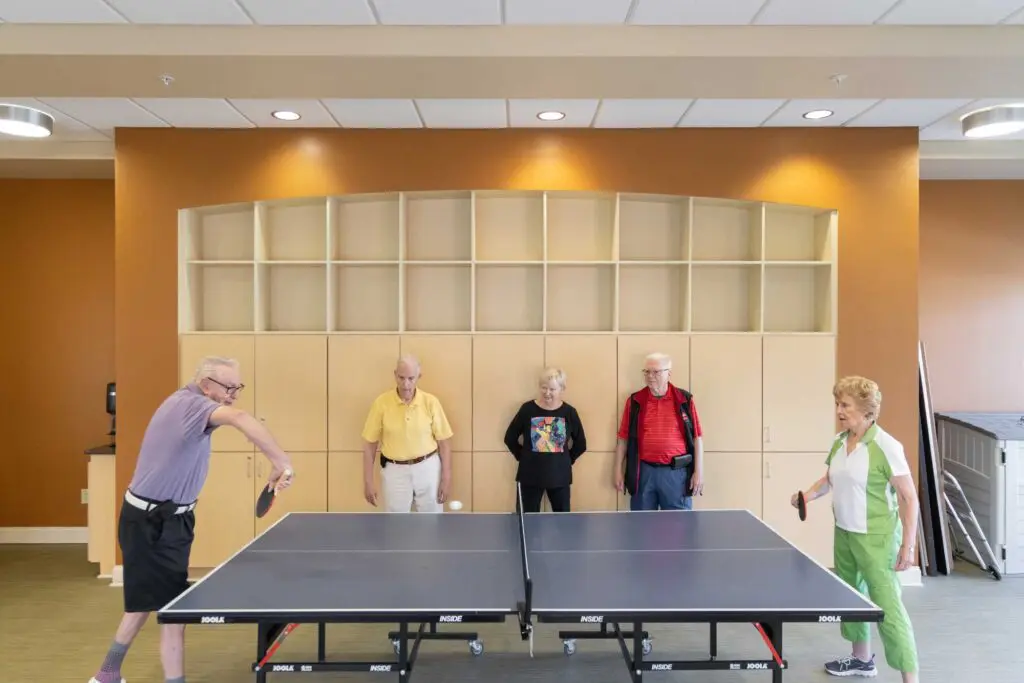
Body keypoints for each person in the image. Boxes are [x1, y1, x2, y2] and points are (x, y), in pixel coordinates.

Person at [89, 356, 294, 683]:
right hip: (150, 523)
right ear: (206, 385)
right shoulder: (190, 405)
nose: (234, 394)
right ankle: (139, 677)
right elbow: (239, 418)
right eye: (229, 387)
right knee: (172, 612)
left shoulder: (190, 404)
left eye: (238, 387)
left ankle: (107, 674)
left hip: (172, 521)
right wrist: (281, 460)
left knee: (146, 604)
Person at [792, 375, 920, 682]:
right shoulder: (840, 441)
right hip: (845, 533)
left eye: (845, 404)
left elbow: (909, 497)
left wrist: (908, 546)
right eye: (837, 403)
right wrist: (805, 496)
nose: (839, 409)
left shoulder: (885, 445)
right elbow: (829, 480)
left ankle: (910, 677)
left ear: (866, 410)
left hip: (877, 539)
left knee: (888, 608)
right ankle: (861, 660)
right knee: (852, 599)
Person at [361, 355, 453, 512]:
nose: (406, 384)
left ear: (419, 377)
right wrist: (368, 481)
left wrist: (446, 477)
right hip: (395, 471)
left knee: (432, 522)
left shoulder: (431, 402)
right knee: (397, 525)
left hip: (428, 468)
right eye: (401, 378)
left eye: (411, 378)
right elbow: (370, 446)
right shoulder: (381, 403)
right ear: (395, 375)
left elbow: (444, 444)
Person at [613, 352, 703, 510]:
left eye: (656, 372)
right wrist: (617, 470)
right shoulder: (635, 401)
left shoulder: (684, 400)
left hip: (676, 474)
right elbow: (623, 440)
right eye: (646, 371)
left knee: (679, 527)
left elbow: (697, 438)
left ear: (669, 373)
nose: (650, 376)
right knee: (642, 526)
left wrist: (699, 472)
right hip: (644, 472)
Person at [503, 367, 587, 513]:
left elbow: (581, 444)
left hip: (560, 479)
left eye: (552, 389)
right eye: (544, 388)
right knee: (527, 524)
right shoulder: (527, 409)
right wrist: (523, 457)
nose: (547, 393)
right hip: (529, 477)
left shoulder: (569, 413)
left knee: (563, 525)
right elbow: (509, 438)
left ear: (562, 389)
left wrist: (566, 460)